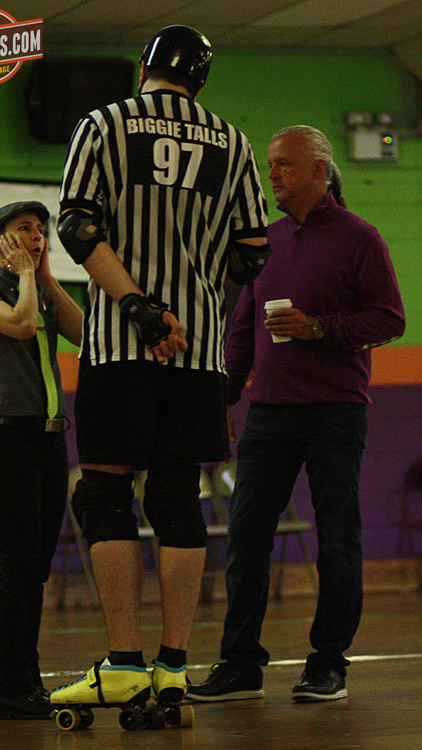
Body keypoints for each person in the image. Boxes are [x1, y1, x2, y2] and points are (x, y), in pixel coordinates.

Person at [50, 24, 269, 716]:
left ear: (145, 66)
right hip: (198, 351)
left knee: (105, 495)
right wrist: (193, 302)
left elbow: (77, 226)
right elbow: (253, 251)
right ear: (201, 80)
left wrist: (142, 309)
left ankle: (123, 664)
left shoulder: (104, 123)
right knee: (177, 497)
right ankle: (173, 667)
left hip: (122, 343)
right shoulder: (232, 141)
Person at [187, 125, 406, 704]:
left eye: (283, 163)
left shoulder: (361, 238)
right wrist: (224, 397)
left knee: (337, 539)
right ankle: (240, 665)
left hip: (335, 412)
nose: (272, 174)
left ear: (318, 170)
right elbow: (242, 328)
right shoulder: (265, 241)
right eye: (271, 164)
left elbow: (389, 319)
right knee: (246, 538)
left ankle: (328, 664)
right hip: (268, 414)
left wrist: (319, 328)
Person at [0, 201, 83, 718]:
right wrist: (27, 277)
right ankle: (9, 689)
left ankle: (29, 681)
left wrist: (46, 275)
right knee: (18, 567)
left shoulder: (39, 288)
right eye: (24, 229)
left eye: (40, 230)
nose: (37, 236)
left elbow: (85, 333)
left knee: (36, 571)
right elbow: (22, 325)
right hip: (6, 441)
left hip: (49, 441)